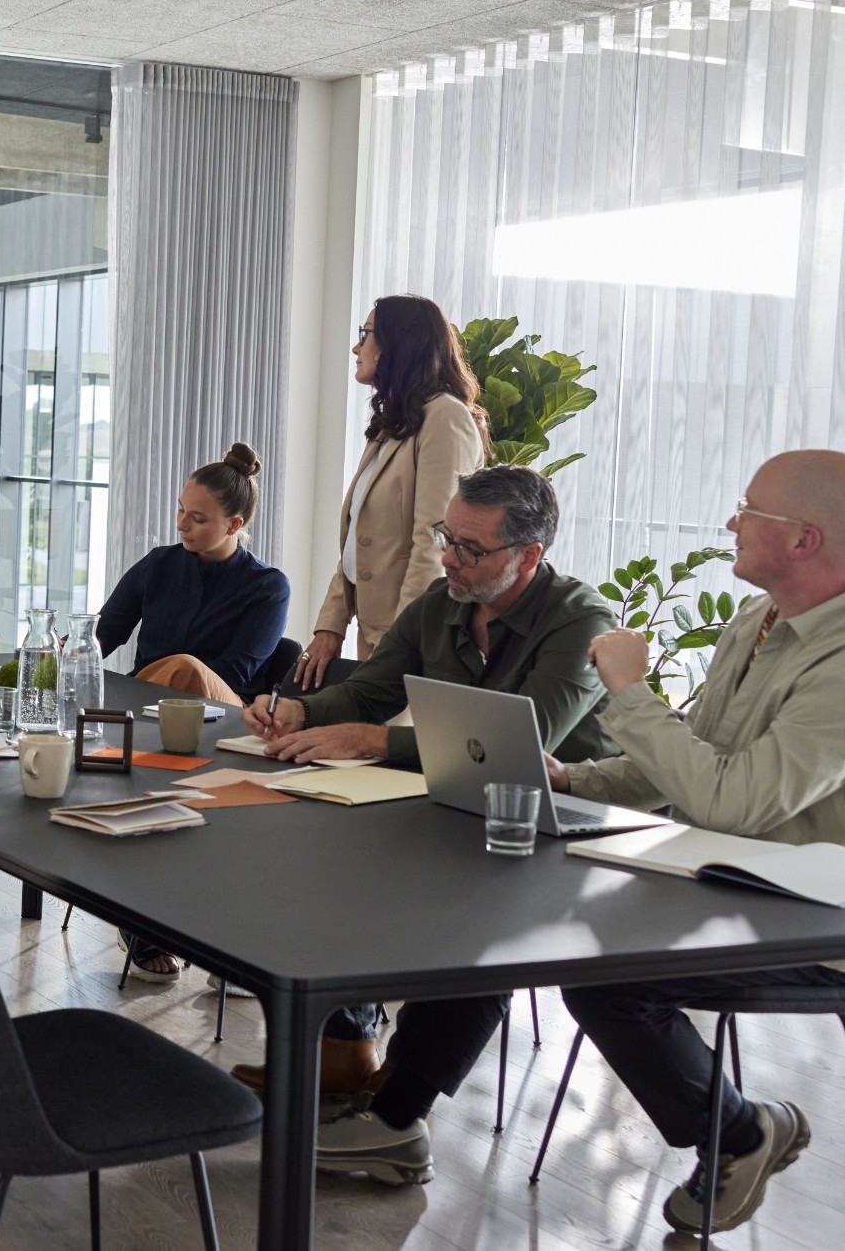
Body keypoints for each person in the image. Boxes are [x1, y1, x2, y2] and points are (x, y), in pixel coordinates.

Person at [318, 452, 845, 1231]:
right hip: (737, 876)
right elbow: (689, 761)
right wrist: (573, 780)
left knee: (608, 978)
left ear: (803, 539)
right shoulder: (759, 622)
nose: (731, 522)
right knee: (495, 906)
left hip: (829, 918)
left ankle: (742, 1133)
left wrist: (630, 691)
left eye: (749, 510)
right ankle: (396, 1117)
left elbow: (732, 802)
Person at [236, 465, 616, 1099]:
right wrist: (301, 710)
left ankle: (398, 1110)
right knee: (326, 851)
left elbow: (518, 745)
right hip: (460, 804)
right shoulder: (443, 603)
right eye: (447, 536)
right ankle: (342, 1049)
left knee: (479, 915)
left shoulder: (581, 621)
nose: (449, 558)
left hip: (572, 825)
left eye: (471, 548)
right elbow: (370, 691)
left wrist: (374, 740)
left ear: (528, 556)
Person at [295, 295, 487, 688]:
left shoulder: (445, 418)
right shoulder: (395, 421)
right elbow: (359, 539)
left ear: (398, 343)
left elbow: (435, 542)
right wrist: (331, 624)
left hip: (412, 642)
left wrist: (402, 643)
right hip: (376, 636)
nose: (356, 348)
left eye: (365, 334)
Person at [98, 442, 290, 706]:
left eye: (198, 519)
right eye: (181, 509)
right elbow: (105, 631)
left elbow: (234, 674)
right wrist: (64, 650)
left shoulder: (268, 586)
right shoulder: (158, 563)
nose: (181, 524)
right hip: (147, 696)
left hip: (222, 709)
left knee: (187, 668)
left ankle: (127, 705)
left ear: (234, 524)